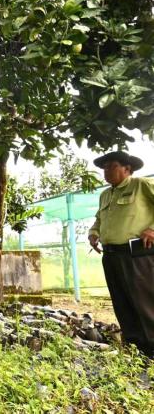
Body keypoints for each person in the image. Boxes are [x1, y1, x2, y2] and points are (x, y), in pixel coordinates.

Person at [88, 151, 154, 358]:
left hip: (137, 255)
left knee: (144, 302)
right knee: (122, 302)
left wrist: (152, 229)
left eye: (112, 166)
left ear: (127, 168)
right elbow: (99, 219)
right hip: (111, 256)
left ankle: (152, 349)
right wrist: (93, 233)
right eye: (104, 167)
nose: (106, 171)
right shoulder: (105, 195)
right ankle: (135, 349)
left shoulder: (140, 185)